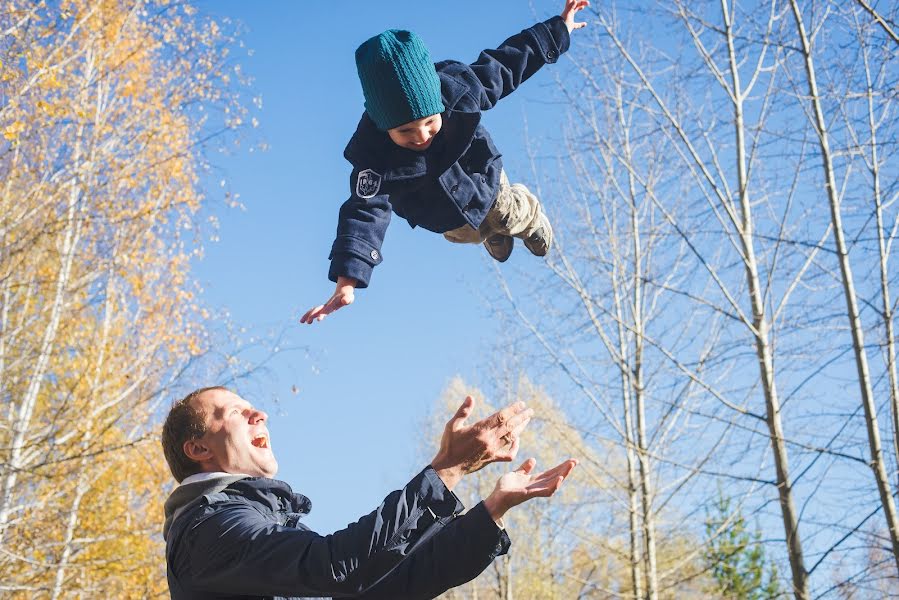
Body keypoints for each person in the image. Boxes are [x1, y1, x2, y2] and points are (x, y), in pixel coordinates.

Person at [301, 1, 589, 325]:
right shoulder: (374, 158)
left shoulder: (460, 89)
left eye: (428, 121)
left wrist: (559, 29)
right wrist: (347, 280)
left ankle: (530, 217)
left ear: (438, 102)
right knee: (470, 235)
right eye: (404, 131)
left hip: (485, 186)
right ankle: (489, 233)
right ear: (383, 127)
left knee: (506, 215)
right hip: (444, 218)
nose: (421, 135)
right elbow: (364, 211)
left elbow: (508, 64)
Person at [162, 386, 577, 599]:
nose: (260, 413)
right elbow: (339, 565)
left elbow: (385, 588)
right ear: (198, 449)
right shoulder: (208, 529)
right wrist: (447, 469)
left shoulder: (243, 528)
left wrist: (488, 515)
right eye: (235, 412)